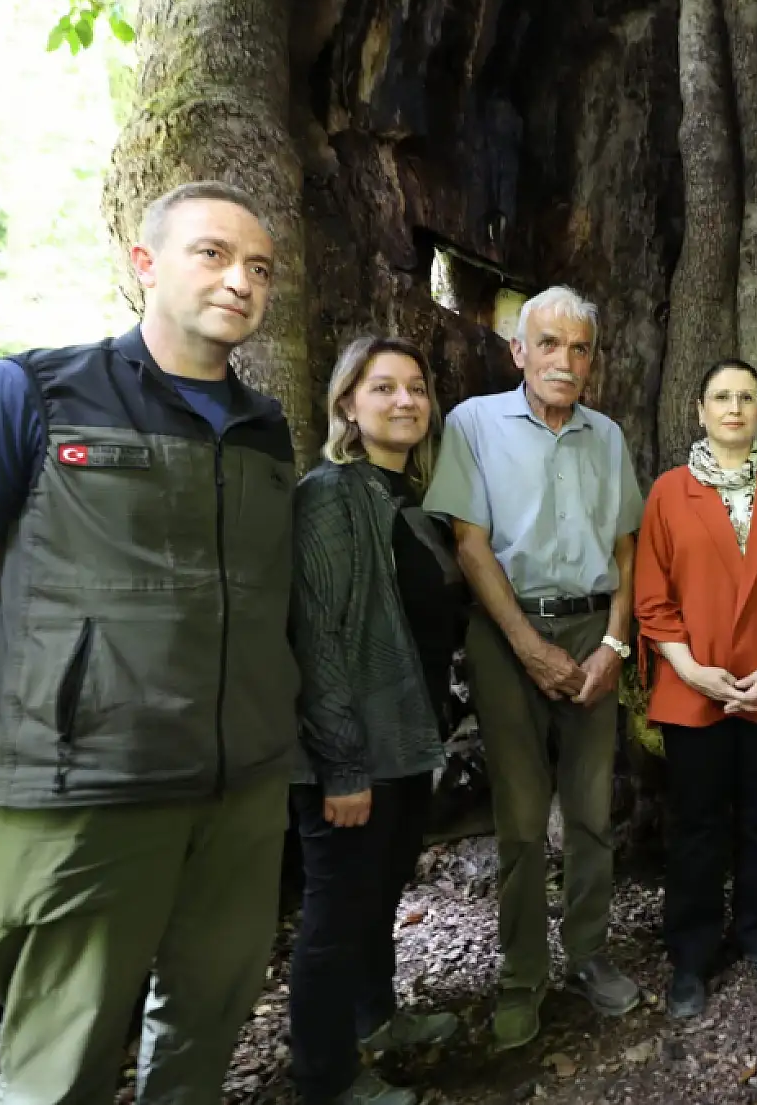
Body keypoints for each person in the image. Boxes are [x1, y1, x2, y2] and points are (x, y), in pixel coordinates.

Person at [0, 181, 298, 1102]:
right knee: (57, 1064)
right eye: (213, 254)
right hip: (86, 796)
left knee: (205, 1027)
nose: (240, 280)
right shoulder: (31, 391)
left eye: (259, 268)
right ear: (145, 264)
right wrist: (38, 704)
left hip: (240, 791)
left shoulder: (268, 432)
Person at [424, 285, 644, 1051]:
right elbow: (469, 543)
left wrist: (615, 644)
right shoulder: (473, 424)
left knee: (590, 810)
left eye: (579, 348)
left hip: (592, 628)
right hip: (506, 634)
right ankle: (521, 974)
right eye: (548, 344)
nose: (565, 360)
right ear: (518, 350)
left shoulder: (606, 435)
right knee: (519, 819)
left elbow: (626, 551)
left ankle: (587, 952)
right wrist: (526, 645)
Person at [289, 337, 467, 1105]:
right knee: (336, 913)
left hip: (407, 734)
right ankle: (325, 1079)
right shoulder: (329, 494)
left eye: (417, 388)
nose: (405, 401)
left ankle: (376, 1018)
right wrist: (343, 763)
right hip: (352, 747)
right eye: (383, 387)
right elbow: (316, 632)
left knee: (382, 886)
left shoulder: (412, 503)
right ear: (347, 405)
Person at [635, 358, 757, 1019]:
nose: (734, 407)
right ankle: (691, 954)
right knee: (694, 824)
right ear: (699, 409)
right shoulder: (669, 492)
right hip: (696, 688)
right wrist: (691, 670)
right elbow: (651, 597)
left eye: (747, 396)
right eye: (721, 395)